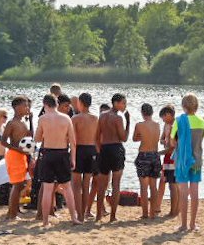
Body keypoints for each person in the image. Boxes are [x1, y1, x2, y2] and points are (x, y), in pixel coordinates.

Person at [33, 94, 81, 226]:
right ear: (56, 104)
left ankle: (45, 221)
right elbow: (73, 141)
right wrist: (73, 159)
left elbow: (37, 139)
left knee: (47, 189)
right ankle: (73, 218)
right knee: (67, 188)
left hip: (48, 153)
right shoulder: (66, 118)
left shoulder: (42, 118)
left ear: (45, 105)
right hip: (62, 153)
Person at [172, 93, 204, 233]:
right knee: (195, 191)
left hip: (182, 161)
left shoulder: (179, 121)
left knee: (184, 192)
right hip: (196, 160)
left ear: (183, 106)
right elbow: (202, 138)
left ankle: (184, 224)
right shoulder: (201, 121)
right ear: (196, 106)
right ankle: (193, 224)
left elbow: (173, 141)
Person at [94, 93, 129, 222]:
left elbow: (96, 137)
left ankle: (98, 215)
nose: (125, 105)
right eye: (123, 103)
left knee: (102, 185)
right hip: (116, 148)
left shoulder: (102, 116)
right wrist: (128, 121)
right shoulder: (118, 118)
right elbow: (123, 138)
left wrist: (99, 151)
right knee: (116, 184)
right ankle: (113, 216)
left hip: (104, 149)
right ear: (116, 103)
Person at [2, 96, 34, 221]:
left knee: (21, 185)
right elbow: (3, 142)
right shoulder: (12, 123)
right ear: (16, 107)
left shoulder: (23, 122)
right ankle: (12, 215)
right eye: (24, 106)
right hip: (14, 155)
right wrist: (17, 149)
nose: (27, 108)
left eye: (28, 106)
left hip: (22, 155)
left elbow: (30, 135)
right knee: (17, 185)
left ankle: (11, 212)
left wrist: (31, 120)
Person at [69, 93, 99, 217]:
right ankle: (84, 213)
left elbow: (73, 140)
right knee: (86, 184)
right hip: (91, 150)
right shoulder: (96, 118)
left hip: (79, 150)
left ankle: (78, 213)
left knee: (76, 185)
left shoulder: (75, 118)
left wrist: (72, 157)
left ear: (80, 103)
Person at [133, 102, 162, 219]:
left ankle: (145, 213)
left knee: (144, 187)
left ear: (142, 113)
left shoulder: (139, 125)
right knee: (153, 186)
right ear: (152, 113)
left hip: (144, 155)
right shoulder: (157, 125)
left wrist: (141, 136)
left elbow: (135, 138)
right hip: (155, 155)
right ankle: (153, 213)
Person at [159, 105, 179, 219]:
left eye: (163, 117)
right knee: (173, 184)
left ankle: (173, 211)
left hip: (172, 157)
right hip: (170, 157)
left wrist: (159, 153)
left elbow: (172, 147)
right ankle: (176, 210)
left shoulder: (174, 126)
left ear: (168, 115)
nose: (163, 120)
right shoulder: (170, 125)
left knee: (173, 185)